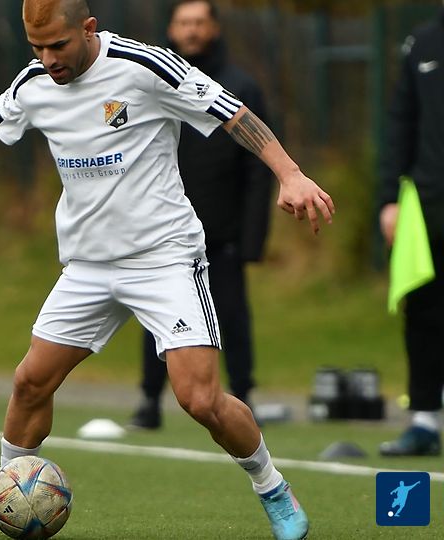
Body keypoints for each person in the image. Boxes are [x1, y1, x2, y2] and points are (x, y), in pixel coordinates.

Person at [0, 1, 334, 538]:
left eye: (58, 45)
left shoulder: (145, 66)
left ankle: (273, 488)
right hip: (88, 266)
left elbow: (233, 113)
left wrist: (291, 174)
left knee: (199, 399)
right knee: (31, 382)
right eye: (37, 48)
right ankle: (6, 490)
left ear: (88, 28)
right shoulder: (35, 81)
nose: (48, 59)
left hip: (164, 258)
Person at [129, 0, 272, 430]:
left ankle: (243, 396)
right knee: (158, 318)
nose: (191, 30)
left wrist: (251, 238)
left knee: (232, 316)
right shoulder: (148, 84)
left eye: (199, 22)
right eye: (183, 22)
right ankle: (149, 400)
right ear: (171, 29)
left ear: (214, 28)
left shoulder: (240, 87)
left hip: (221, 233)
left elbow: (257, 167)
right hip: (162, 234)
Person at [378, 3, 444, 458]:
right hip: (427, 203)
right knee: (423, 311)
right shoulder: (422, 42)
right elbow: (400, 121)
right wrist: (389, 198)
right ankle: (423, 421)